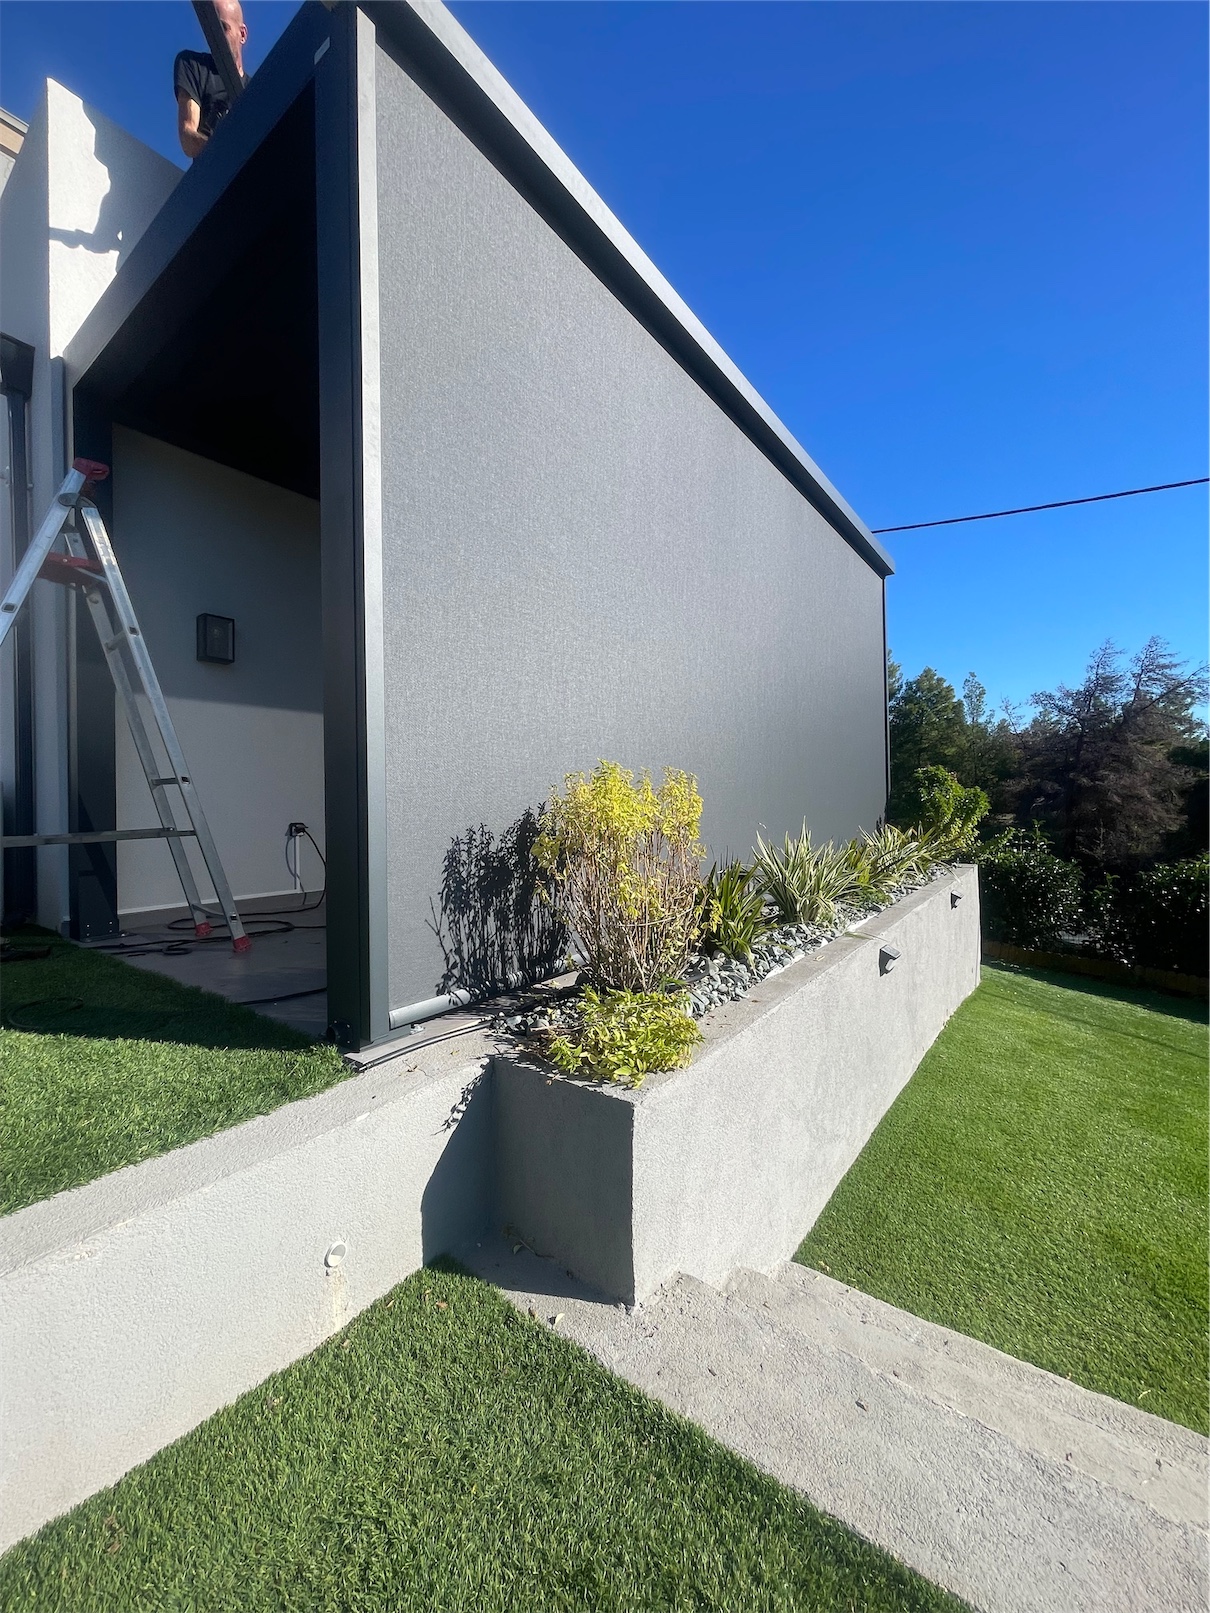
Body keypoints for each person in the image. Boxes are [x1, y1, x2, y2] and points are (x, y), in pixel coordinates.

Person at [175, 1, 248, 160]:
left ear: (242, 34)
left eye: (223, 27)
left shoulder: (256, 90)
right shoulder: (193, 65)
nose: (217, 36)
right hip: (216, 171)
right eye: (213, 29)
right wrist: (224, 153)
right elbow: (187, 135)